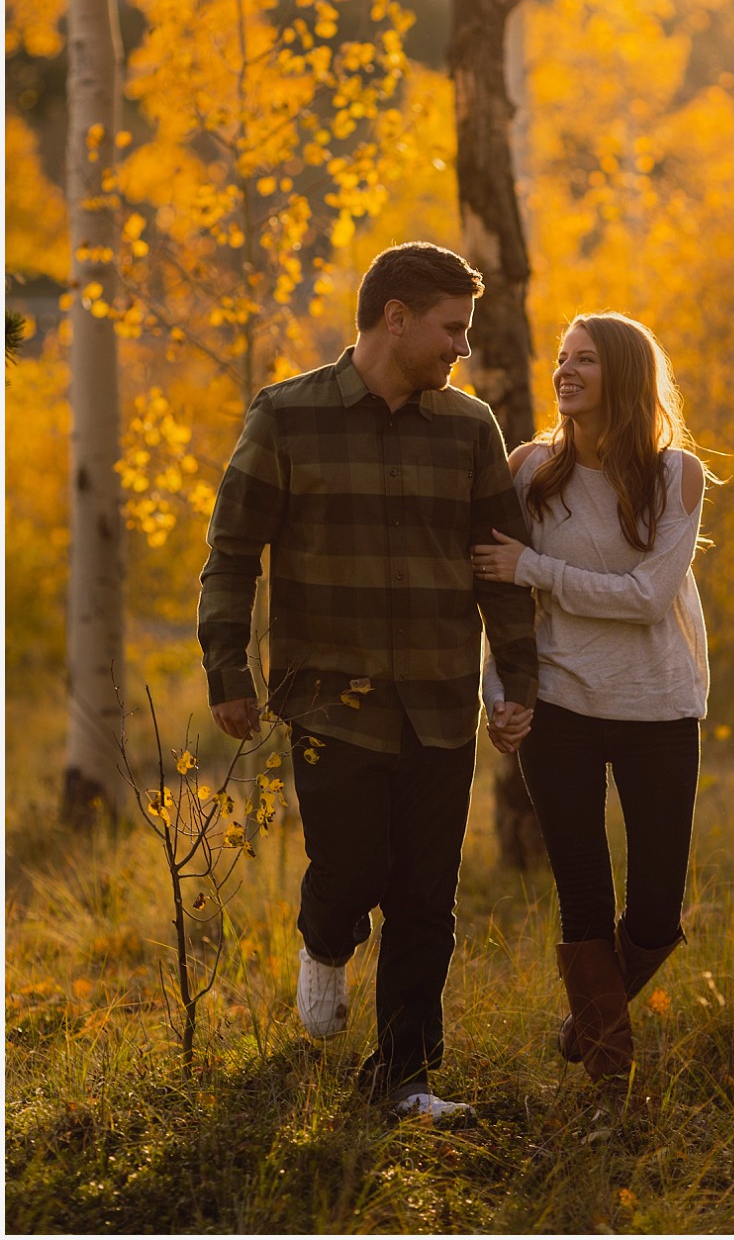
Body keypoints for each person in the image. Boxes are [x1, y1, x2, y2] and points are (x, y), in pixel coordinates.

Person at [199, 241, 538, 1121]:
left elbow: (501, 566)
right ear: (396, 318)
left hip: (437, 702)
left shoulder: (469, 427)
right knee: (349, 870)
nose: (460, 348)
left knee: (427, 897)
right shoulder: (286, 415)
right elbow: (232, 553)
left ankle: (406, 1077)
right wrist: (228, 669)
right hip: (328, 701)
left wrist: (515, 684)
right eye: (449, 328)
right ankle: (324, 937)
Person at [472, 311, 709, 1101]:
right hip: (561, 702)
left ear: (627, 378)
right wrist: (498, 690)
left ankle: (584, 1023)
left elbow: (647, 600)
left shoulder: (677, 475)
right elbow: (496, 595)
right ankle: (612, 1081)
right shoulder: (530, 468)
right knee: (581, 887)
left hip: (660, 705)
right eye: (562, 358)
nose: (564, 371)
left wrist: (535, 567)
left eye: (585, 361)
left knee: (654, 912)